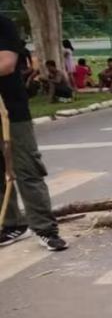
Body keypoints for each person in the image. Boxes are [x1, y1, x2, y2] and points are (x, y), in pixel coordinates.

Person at [0, 14, 69, 251]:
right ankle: (12, 224)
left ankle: (45, 229)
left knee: (27, 170)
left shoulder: (3, 24)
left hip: (10, 112)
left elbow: (6, 64)